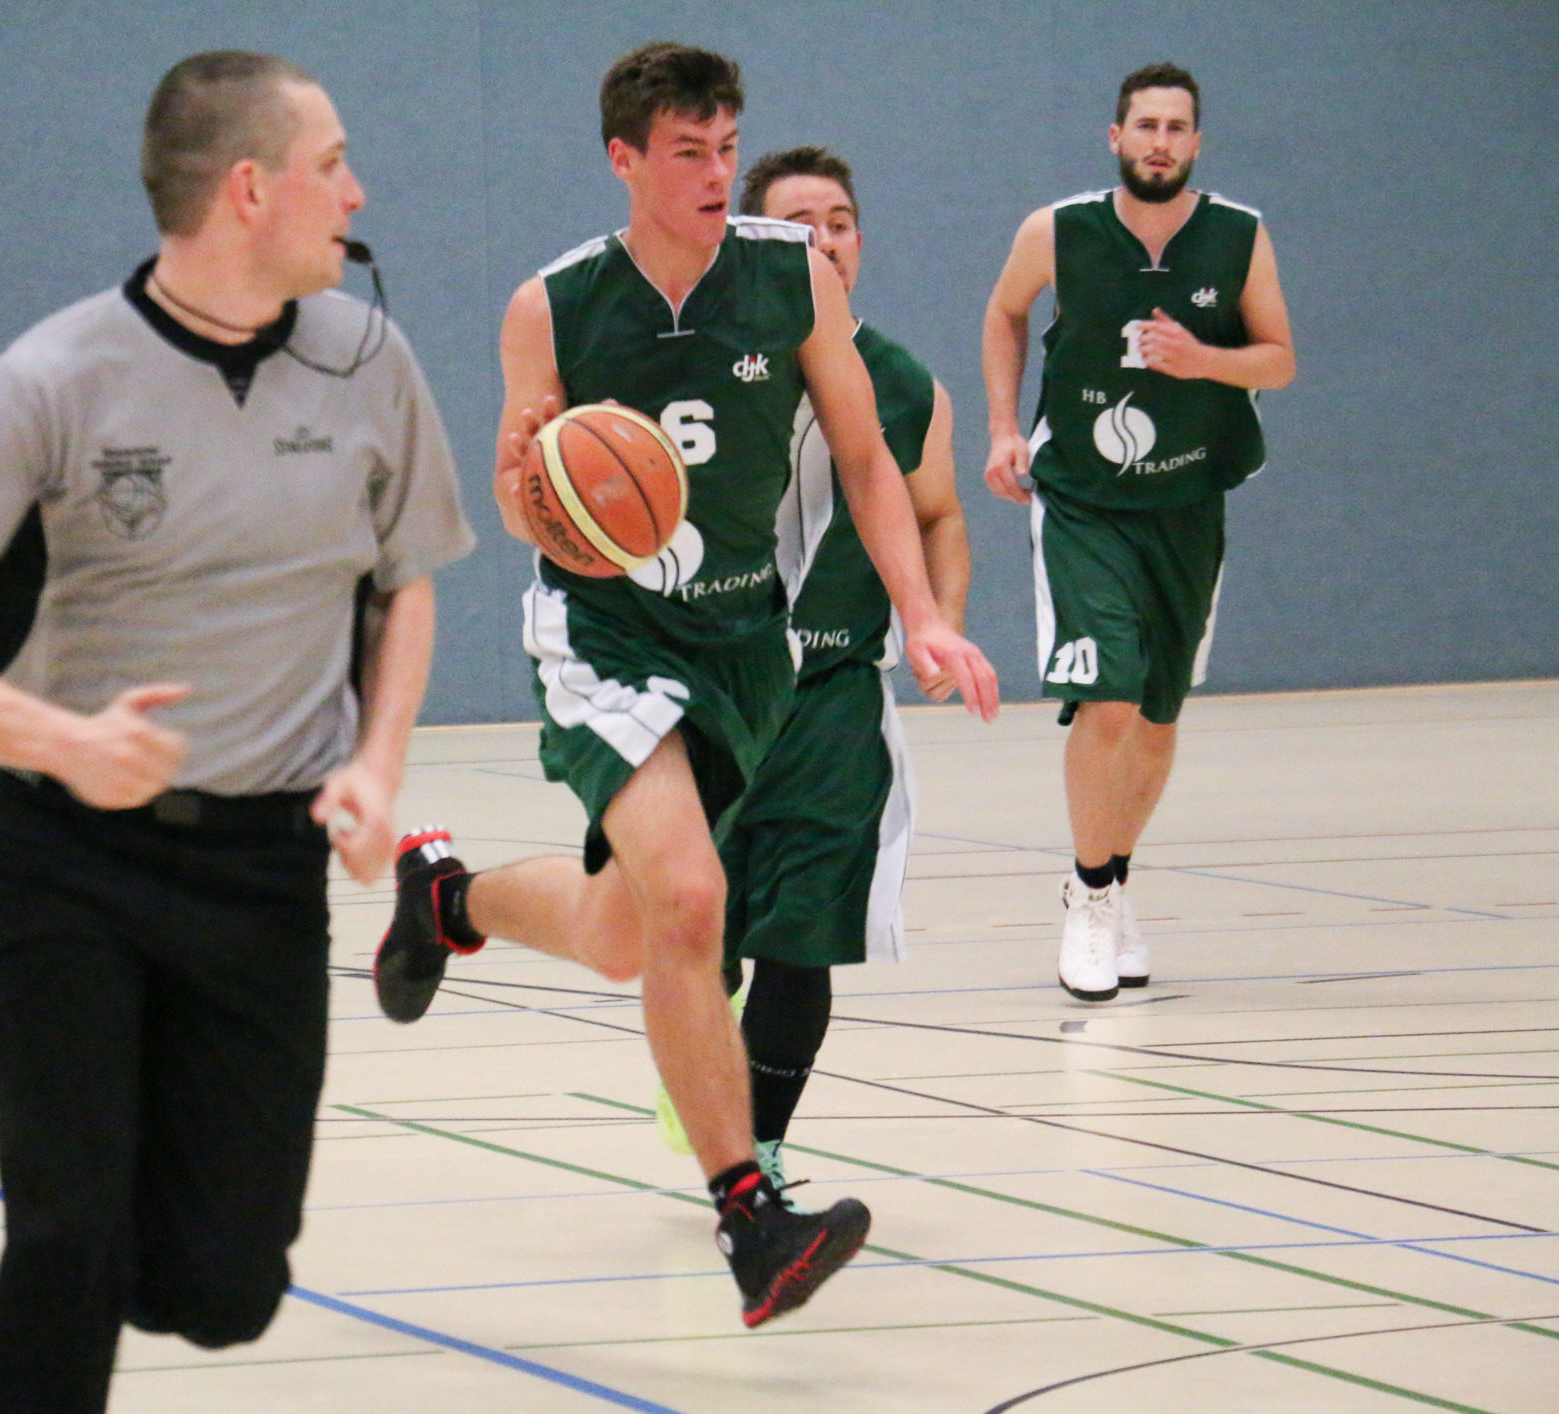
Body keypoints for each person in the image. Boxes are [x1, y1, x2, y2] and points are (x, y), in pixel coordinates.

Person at [0, 51, 475, 1412]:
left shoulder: (369, 360)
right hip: (66, 865)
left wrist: (377, 765)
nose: (357, 193)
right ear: (249, 189)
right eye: (332, 165)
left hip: (263, 873)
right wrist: (57, 740)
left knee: (226, 1286)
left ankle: (128, 1234)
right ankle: (74, 1254)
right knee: (66, 1242)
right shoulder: (55, 377)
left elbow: (406, 583)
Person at [375, 42, 998, 1329]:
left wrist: (925, 615)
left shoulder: (789, 277)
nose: (718, 175)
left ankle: (447, 898)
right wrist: (531, 490)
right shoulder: (553, 305)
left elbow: (869, 462)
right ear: (625, 159)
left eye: (728, 149)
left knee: (625, 933)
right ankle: (751, 1217)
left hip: (742, 646)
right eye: (688, 154)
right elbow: (521, 496)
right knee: (697, 899)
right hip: (606, 634)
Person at [683, 145, 969, 1194]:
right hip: (711, 692)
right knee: (698, 932)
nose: (824, 241)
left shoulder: (905, 385)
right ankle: (697, 1055)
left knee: (803, 937)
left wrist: (937, 622)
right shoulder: (695, 365)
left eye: (839, 222)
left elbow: (939, 516)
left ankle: (756, 1152)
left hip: (836, 695)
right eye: (798, 225)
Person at [981, 62, 1295, 1001]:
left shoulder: (1238, 235)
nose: (1159, 141)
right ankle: (1085, 896)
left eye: (1175, 127)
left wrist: (1203, 360)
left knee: (1157, 719)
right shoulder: (1056, 230)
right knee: (1107, 699)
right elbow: (1003, 312)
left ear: (1195, 143)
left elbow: (1278, 360)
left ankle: (1113, 881)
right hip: (1082, 497)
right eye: (1144, 125)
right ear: (1114, 137)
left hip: (1187, 502)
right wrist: (1001, 428)